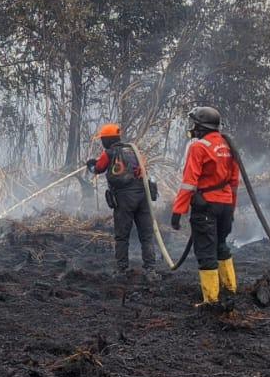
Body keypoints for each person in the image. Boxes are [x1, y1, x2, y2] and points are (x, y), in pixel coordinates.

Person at [169, 106, 239, 305]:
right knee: (221, 246)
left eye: (195, 125)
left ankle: (211, 300)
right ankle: (230, 288)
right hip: (225, 205)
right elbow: (234, 182)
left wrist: (177, 211)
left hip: (206, 206)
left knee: (206, 252)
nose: (193, 129)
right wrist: (232, 209)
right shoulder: (228, 145)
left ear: (201, 126)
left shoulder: (199, 147)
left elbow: (189, 182)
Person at [86, 123, 160, 274]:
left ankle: (121, 268)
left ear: (106, 140)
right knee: (146, 234)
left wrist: (90, 165)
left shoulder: (110, 152)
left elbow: (98, 168)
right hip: (143, 196)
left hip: (124, 198)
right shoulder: (133, 150)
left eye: (102, 139)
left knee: (122, 235)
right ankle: (150, 267)